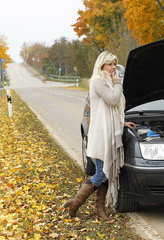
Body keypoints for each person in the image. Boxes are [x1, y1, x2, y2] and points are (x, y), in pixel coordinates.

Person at [64, 51, 136, 220]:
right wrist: (118, 83)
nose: (113, 68)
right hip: (101, 134)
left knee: (106, 171)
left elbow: (109, 111)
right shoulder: (98, 81)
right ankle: (75, 203)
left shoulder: (107, 82)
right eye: (110, 64)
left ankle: (99, 209)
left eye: (114, 64)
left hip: (108, 131)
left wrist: (122, 123)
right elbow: (113, 100)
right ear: (102, 64)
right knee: (101, 174)